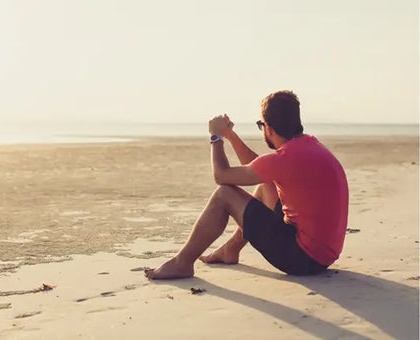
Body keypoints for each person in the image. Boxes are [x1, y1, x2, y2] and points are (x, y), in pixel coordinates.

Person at [144, 90, 349, 279]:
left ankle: (182, 263)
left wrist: (215, 137)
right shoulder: (309, 146)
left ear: (268, 128)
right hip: (324, 254)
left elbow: (221, 176)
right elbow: (259, 169)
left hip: (303, 259)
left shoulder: (285, 158)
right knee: (265, 186)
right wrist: (231, 136)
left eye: (261, 125)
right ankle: (230, 250)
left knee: (224, 194)